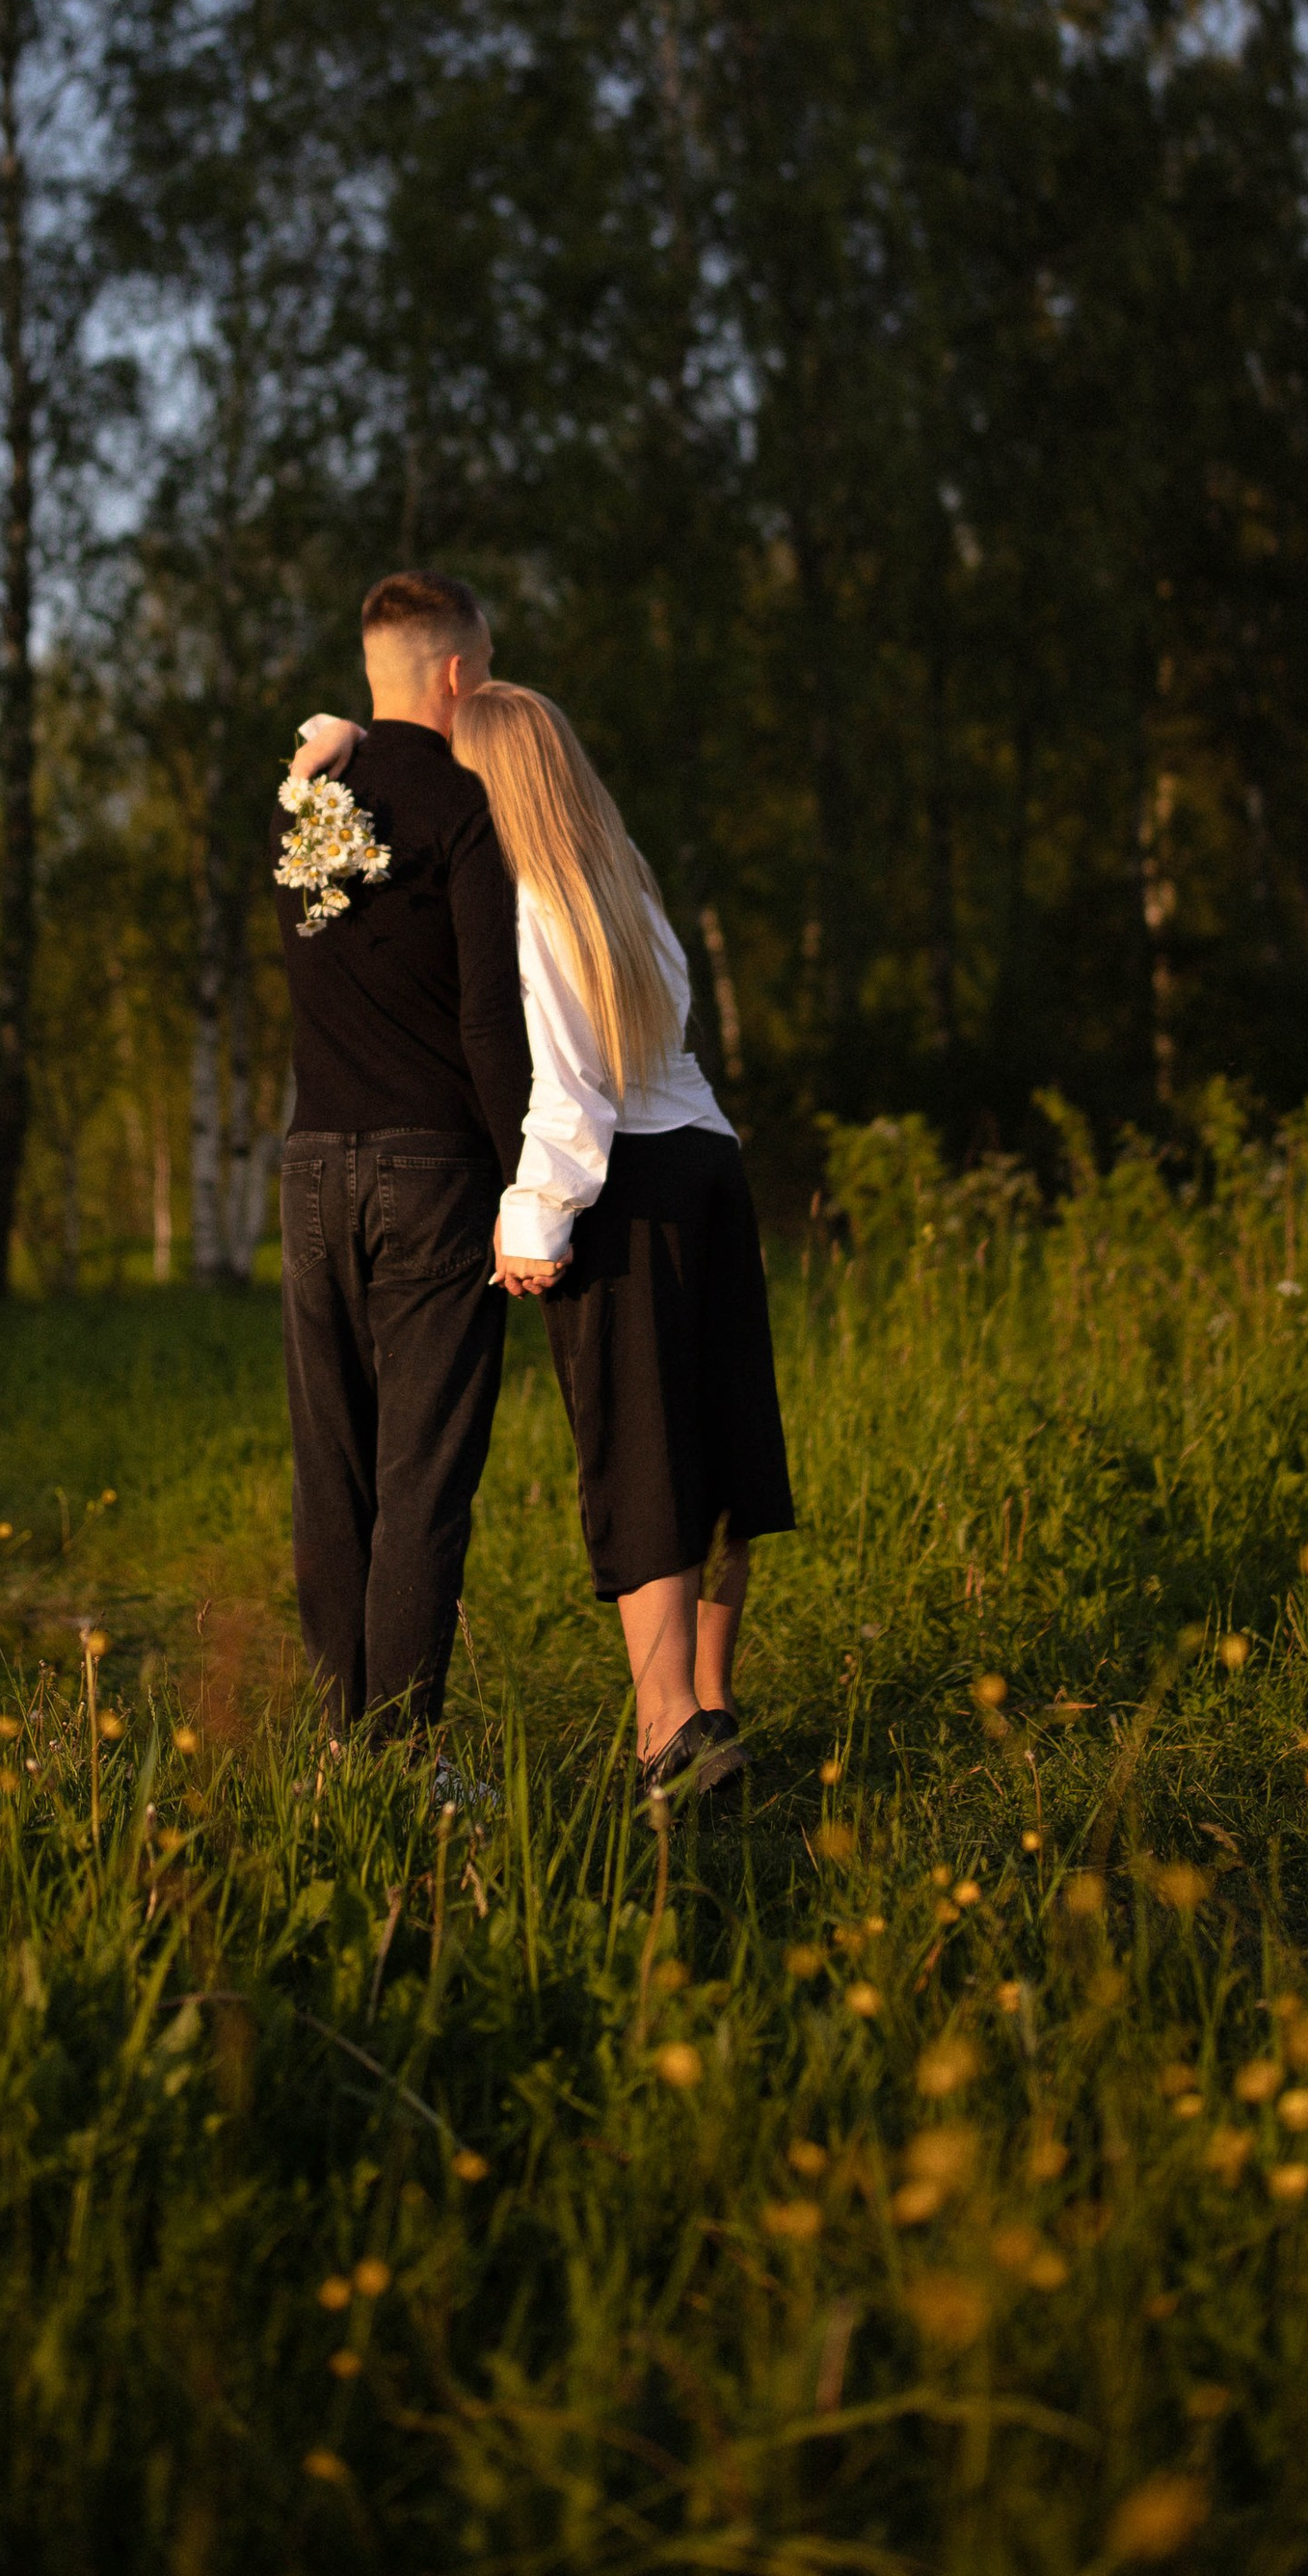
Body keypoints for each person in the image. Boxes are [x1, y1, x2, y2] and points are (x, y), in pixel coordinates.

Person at [291, 680, 793, 1801]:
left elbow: (570, 1089)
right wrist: (350, 738)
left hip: (625, 1185)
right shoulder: (621, 875)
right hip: (707, 1162)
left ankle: (666, 1736)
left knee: (642, 1458)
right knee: (719, 1447)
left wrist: (533, 1218)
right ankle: (711, 1707)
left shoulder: (532, 903)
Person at [271, 571, 531, 1735]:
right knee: (421, 1481)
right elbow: (489, 1020)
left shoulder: (308, 805)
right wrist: (532, 1179)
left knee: (334, 1473)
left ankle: (344, 1751)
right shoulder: (471, 809)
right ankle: (401, 1758)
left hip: (313, 1166)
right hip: (434, 1172)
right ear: (458, 676)